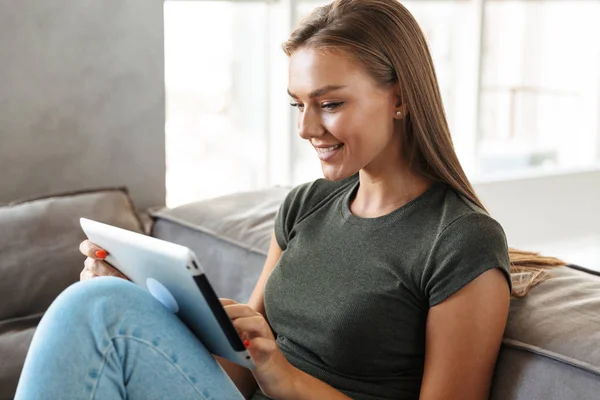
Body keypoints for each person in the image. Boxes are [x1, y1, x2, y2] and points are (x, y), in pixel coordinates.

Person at [15, 0, 563, 399]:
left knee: (96, 311)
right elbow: (237, 367)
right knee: (101, 302)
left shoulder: (459, 238)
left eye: (328, 103)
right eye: (297, 104)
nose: (306, 128)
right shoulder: (307, 206)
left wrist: (287, 380)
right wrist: (148, 306)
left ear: (398, 99)